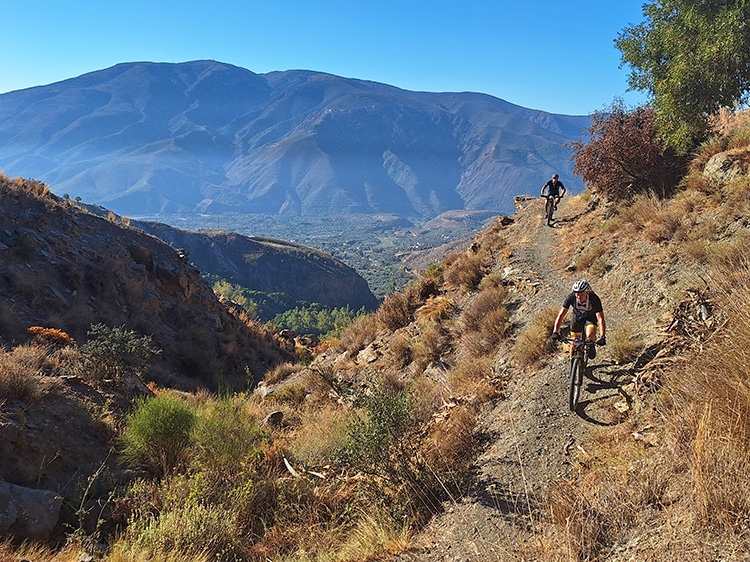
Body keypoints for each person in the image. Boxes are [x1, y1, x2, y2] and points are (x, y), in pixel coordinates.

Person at [551, 279, 606, 359]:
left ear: (587, 292)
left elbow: (600, 319)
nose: (578, 297)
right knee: (574, 342)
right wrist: (555, 332)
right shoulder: (571, 297)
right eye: (577, 294)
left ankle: (591, 345)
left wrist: (602, 336)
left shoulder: (594, 299)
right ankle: (572, 367)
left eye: (581, 294)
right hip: (577, 317)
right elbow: (561, 315)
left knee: (590, 335)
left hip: (590, 318)